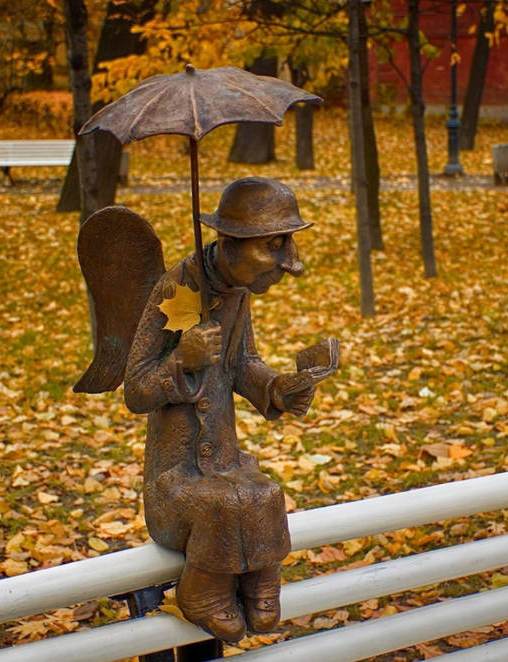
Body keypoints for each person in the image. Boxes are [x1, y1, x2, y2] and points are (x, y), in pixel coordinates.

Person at [123, 177, 317, 642]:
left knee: (265, 492)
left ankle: (259, 580)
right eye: (274, 245)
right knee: (221, 503)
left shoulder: (236, 290)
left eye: (288, 243)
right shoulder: (175, 290)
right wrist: (181, 361)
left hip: (224, 463)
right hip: (176, 478)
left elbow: (241, 363)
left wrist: (276, 389)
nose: (291, 262)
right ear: (230, 243)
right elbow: (135, 391)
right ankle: (202, 591)